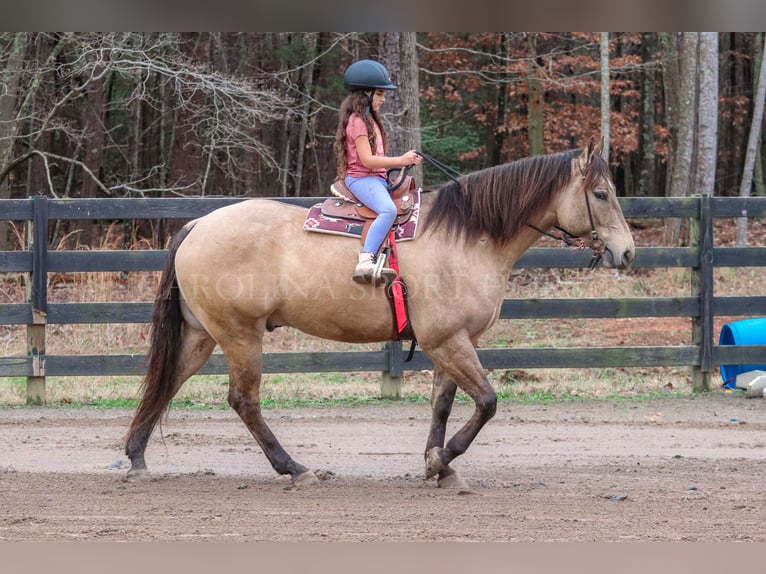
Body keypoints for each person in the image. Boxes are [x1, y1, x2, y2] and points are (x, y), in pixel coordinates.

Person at [334, 59, 422, 284]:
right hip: (362, 179)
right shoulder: (357, 122)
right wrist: (401, 160)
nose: (383, 99)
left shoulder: (369, 120)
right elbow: (367, 160)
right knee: (387, 210)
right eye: (380, 94)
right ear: (366, 94)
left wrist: (403, 161)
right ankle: (365, 259)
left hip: (376, 178)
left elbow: (377, 161)